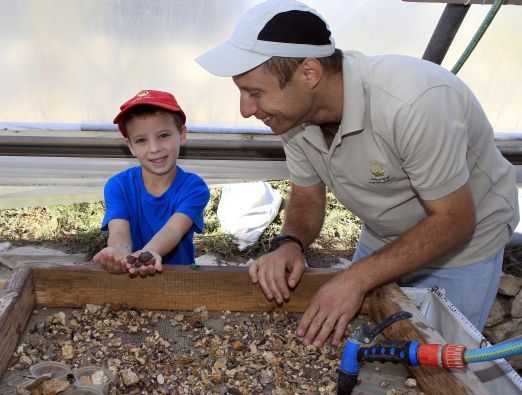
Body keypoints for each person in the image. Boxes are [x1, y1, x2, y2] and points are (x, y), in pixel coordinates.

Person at [196, 0, 519, 347]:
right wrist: (290, 243)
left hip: (464, 245)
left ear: (309, 73)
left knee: (439, 357)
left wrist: (355, 279)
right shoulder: (294, 118)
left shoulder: (413, 103)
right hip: (386, 234)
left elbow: (454, 221)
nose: (246, 110)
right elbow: (307, 195)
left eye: (254, 93)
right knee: (363, 344)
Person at [93, 89, 210, 276]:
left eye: (163, 135)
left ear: (182, 134)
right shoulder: (118, 186)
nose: (154, 148)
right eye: (141, 140)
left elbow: (173, 230)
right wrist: (119, 253)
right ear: (130, 146)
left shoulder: (194, 188)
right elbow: (119, 231)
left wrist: (148, 253)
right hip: (129, 275)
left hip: (180, 278)